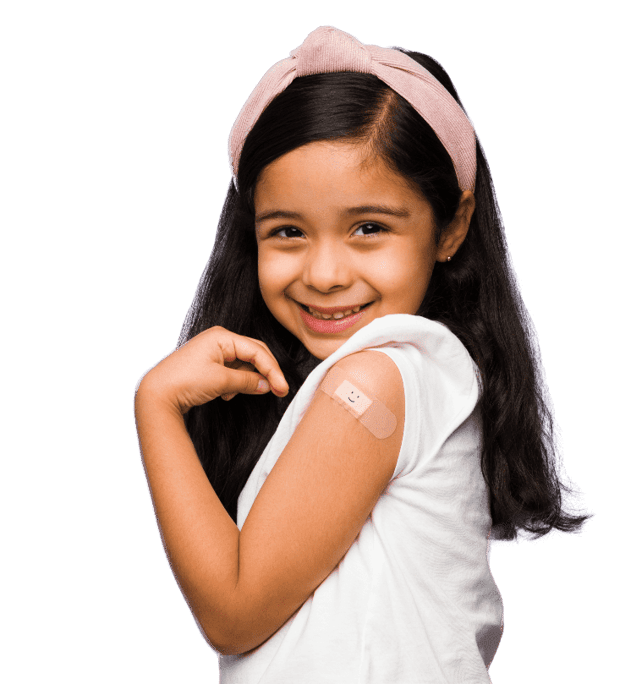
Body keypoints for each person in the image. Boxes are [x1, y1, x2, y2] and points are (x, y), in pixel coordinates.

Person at [134, 26, 593, 683]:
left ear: (452, 226)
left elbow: (234, 614)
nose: (324, 273)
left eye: (369, 228)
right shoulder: (401, 378)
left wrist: (156, 405)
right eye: (287, 231)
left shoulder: (377, 381)